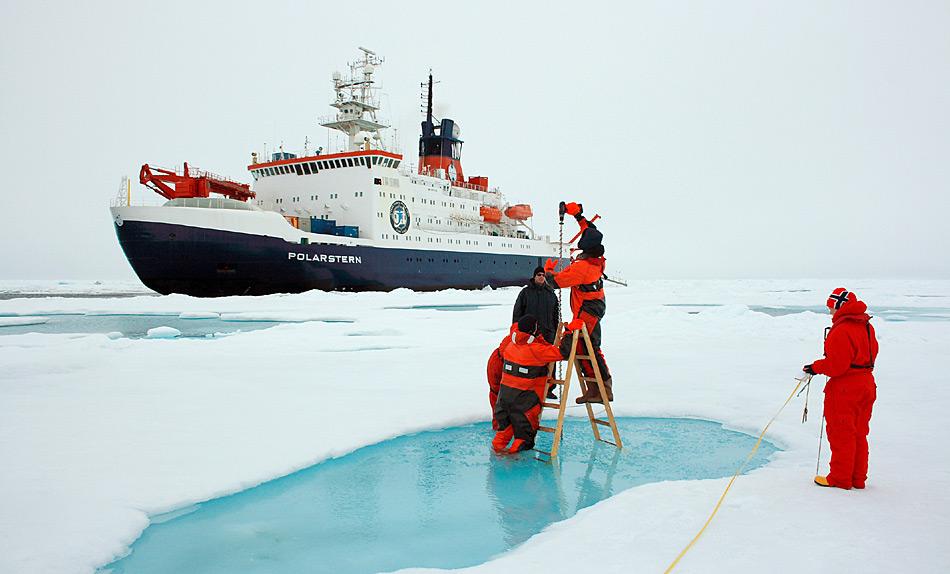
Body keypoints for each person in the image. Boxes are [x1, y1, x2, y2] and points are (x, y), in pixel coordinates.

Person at [803, 288, 879, 490]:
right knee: (859, 433)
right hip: (866, 385)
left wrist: (815, 367)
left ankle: (840, 478)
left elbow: (837, 366)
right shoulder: (866, 326)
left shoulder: (843, 329)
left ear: (839, 306)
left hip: (846, 389)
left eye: (831, 308)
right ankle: (857, 479)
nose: (829, 313)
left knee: (842, 434)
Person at [544, 201, 612, 403]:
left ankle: (603, 389)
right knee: (586, 348)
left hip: (587, 310)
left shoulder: (582, 268)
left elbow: (555, 282)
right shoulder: (598, 258)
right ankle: (595, 389)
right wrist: (578, 215)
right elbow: (591, 230)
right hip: (593, 306)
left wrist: (548, 270)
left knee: (579, 345)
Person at [492, 314, 574, 454]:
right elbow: (563, 353)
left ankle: (498, 457)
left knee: (503, 433)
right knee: (524, 439)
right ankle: (514, 464)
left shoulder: (510, 346)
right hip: (524, 401)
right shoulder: (537, 350)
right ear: (534, 330)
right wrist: (569, 333)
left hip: (504, 399)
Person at [512, 266, 559, 344]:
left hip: (548, 335)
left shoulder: (550, 294)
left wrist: (556, 331)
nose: (541, 277)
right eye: (539, 274)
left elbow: (555, 315)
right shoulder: (525, 293)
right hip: (530, 335)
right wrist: (516, 331)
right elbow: (517, 313)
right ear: (534, 277)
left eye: (543, 275)